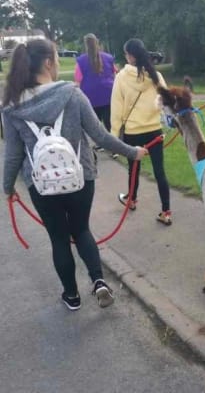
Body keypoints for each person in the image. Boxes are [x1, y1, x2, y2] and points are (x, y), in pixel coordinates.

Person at [2, 38, 148, 311]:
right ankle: (98, 281)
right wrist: (133, 152)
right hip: (80, 178)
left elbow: (13, 154)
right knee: (81, 230)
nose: (57, 63)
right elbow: (101, 137)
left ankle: (72, 296)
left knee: (59, 238)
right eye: (56, 59)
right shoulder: (72, 94)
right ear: (47, 62)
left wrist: (8, 187)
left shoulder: (11, 107)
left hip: (41, 185)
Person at [111, 38, 172, 225]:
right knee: (159, 171)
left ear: (130, 55)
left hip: (133, 132)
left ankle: (132, 200)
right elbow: (166, 101)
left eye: (126, 54)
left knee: (134, 170)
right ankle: (166, 211)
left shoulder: (121, 77)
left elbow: (116, 107)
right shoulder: (156, 76)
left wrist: (113, 136)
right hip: (154, 130)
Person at [75, 33, 118, 158]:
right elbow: (115, 74)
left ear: (85, 45)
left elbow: (78, 80)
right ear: (97, 43)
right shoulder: (108, 58)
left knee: (94, 125)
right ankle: (114, 149)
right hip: (108, 94)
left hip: (90, 97)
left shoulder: (81, 60)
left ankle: (100, 144)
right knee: (110, 123)